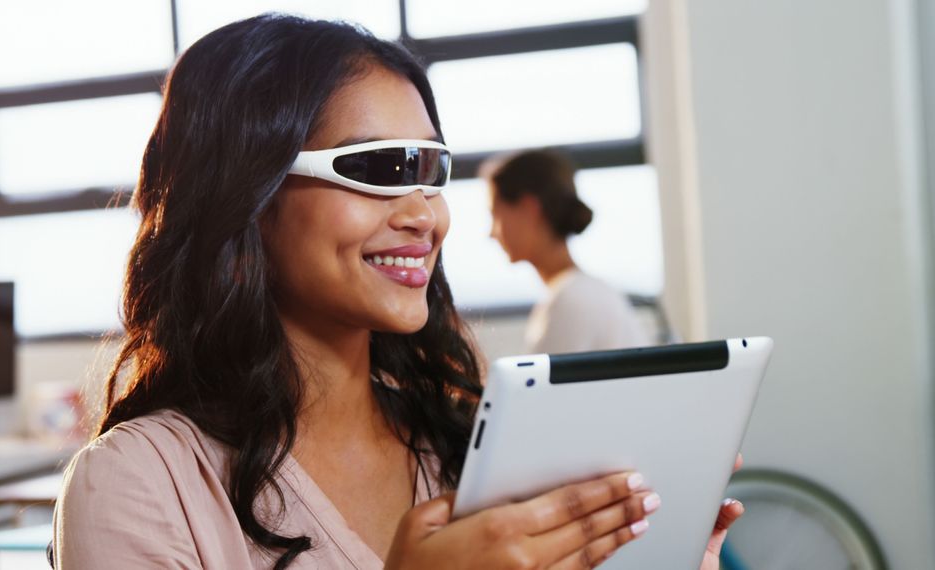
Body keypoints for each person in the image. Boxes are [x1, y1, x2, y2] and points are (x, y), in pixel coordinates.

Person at [52, 14, 742, 569]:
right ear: (248, 195)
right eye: (377, 166)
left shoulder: (466, 445)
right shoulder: (137, 486)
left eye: (429, 168)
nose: (424, 213)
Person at [484, 150, 652, 354]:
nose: (492, 233)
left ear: (529, 209)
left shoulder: (569, 300)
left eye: (495, 215)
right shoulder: (585, 291)